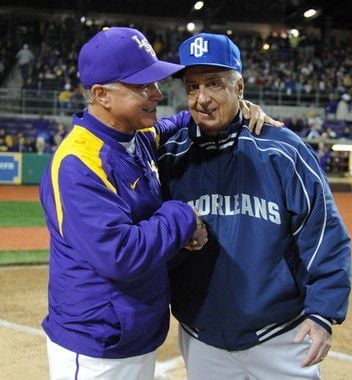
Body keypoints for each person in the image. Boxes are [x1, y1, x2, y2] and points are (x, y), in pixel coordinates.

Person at [158, 33, 352, 379]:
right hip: (201, 338)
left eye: (215, 84)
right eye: (192, 87)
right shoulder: (170, 155)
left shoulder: (281, 150)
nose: (202, 98)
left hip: (281, 338)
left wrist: (323, 313)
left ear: (240, 88)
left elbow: (324, 233)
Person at [39, 27, 208, 380]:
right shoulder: (78, 164)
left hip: (132, 332)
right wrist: (183, 215)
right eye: (143, 87)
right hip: (97, 345)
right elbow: (122, 255)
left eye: (156, 84)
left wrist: (227, 108)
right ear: (101, 94)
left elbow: (173, 124)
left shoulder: (134, 136)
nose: (157, 94)